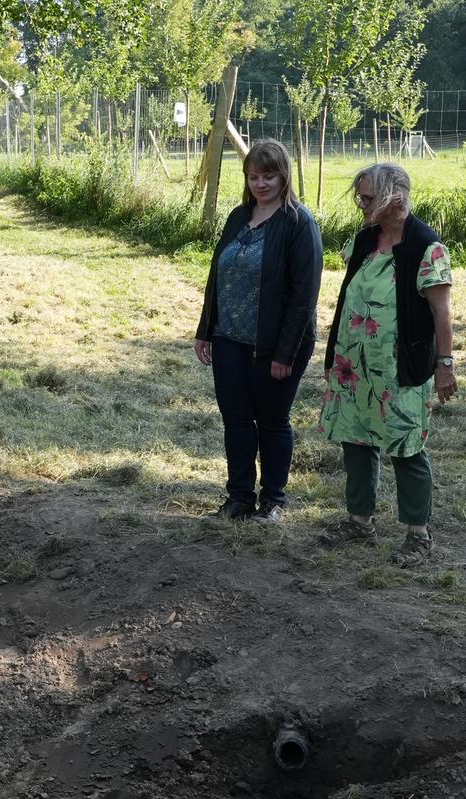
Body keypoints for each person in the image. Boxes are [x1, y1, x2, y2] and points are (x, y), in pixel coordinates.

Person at [316, 162, 457, 567]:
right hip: (354, 366)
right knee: (355, 440)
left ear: (394, 197)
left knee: (407, 446)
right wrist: (332, 358)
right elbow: (346, 300)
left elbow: (441, 314)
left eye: (368, 197)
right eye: (360, 196)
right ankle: (359, 521)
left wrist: (444, 365)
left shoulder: (425, 247)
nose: (361, 204)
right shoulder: (364, 242)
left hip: (401, 368)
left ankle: (418, 534)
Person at [193, 138, 324, 523]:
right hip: (229, 338)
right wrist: (206, 329)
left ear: (284, 176)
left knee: (271, 420)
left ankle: (273, 501)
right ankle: (238, 498)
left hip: (274, 346)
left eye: (269, 176)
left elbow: (304, 296)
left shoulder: (299, 225)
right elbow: (218, 275)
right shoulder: (238, 217)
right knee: (235, 420)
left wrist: (285, 353)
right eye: (254, 176)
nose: (261, 184)